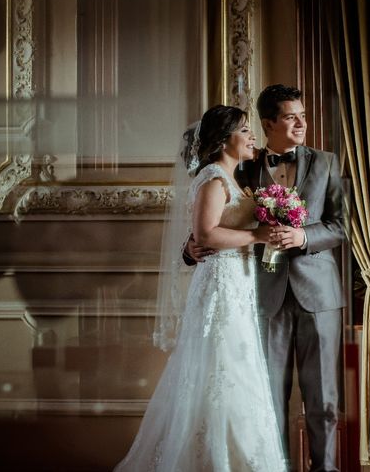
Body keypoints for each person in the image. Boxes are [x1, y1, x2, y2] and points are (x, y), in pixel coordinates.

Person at [116, 105, 286, 472]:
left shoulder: (232, 176)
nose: (252, 136)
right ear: (225, 139)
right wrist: (257, 236)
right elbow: (206, 233)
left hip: (238, 282)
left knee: (236, 366)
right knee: (222, 366)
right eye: (244, 130)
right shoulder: (213, 178)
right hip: (220, 286)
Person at [187, 84, 346, 471]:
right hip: (260, 292)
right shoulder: (240, 165)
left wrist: (303, 236)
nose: (302, 123)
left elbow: (343, 225)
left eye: (303, 115)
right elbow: (211, 222)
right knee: (265, 398)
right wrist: (189, 250)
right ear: (269, 122)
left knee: (324, 399)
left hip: (320, 295)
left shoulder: (327, 163)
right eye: (291, 117)